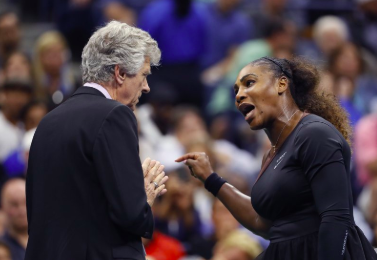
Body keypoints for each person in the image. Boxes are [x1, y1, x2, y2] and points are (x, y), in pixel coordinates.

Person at [176, 56, 377, 260]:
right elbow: (262, 223)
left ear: (281, 84)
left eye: (249, 83)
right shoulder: (270, 155)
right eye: (236, 90)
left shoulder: (314, 134)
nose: (239, 95)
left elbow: (336, 217)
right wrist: (211, 178)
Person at [25, 21, 168, 260]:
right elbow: (131, 215)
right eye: (143, 76)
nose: (146, 87)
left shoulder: (48, 121)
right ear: (120, 73)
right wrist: (144, 195)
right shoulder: (116, 115)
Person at [1, 179, 28, 260]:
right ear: (3, 207)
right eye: (14, 204)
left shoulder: (48, 241)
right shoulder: (3, 249)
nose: (22, 210)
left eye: (26, 202)